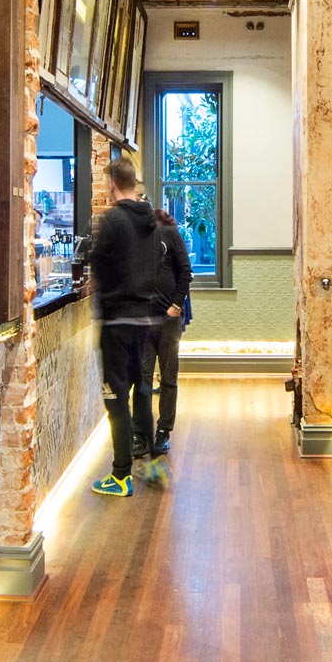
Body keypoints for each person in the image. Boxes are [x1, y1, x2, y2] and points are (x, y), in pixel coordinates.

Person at [86, 156, 174, 496]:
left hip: (117, 322)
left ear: (111, 184)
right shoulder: (152, 223)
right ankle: (151, 461)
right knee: (142, 392)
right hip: (147, 321)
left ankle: (120, 475)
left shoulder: (111, 221)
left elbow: (99, 267)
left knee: (116, 398)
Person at [152, 204, 194, 458]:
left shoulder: (170, 235)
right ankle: (140, 433)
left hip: (167, 319)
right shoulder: (137, 240)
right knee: (143, 378)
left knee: (168, 377)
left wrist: (176, 306)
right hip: (143, 321)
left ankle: (163, 431)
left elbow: (186, 272)